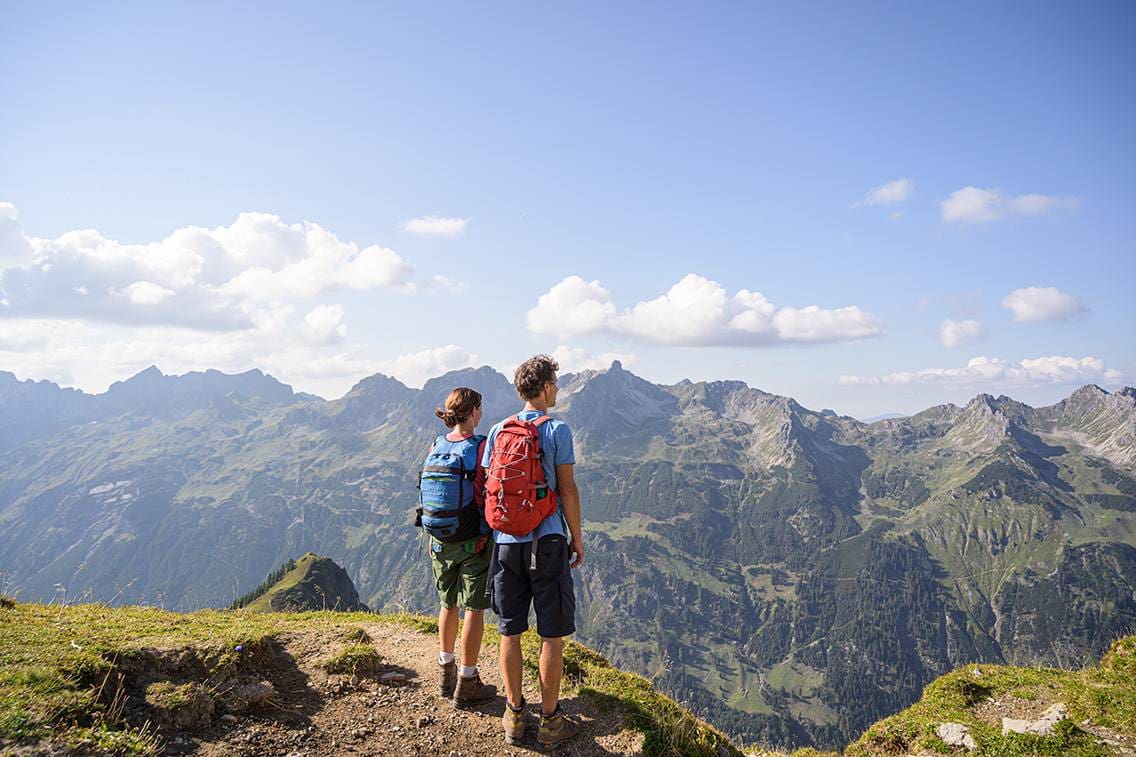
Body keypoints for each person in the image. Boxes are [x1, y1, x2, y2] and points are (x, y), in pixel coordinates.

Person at [484, 354, 584, 747]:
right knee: (551, 635)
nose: (557, 389)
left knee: (510, 631)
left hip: (506, 545)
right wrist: (576, 537)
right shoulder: (557, 429)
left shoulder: (497, 431)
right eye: (555, 383)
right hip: (547, 541)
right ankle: (550, 721)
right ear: (543, 387)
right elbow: (568, 489)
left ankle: (513, 715)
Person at [418, 387, 496, 708]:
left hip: (439, 539)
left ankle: (444, 672)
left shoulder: (436, 445)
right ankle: (467, 681)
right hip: (473, 540)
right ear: (474, 412)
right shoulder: (480, 448)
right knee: (473, 609)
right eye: (480, 407)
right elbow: (491, 489)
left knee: (447, 604)